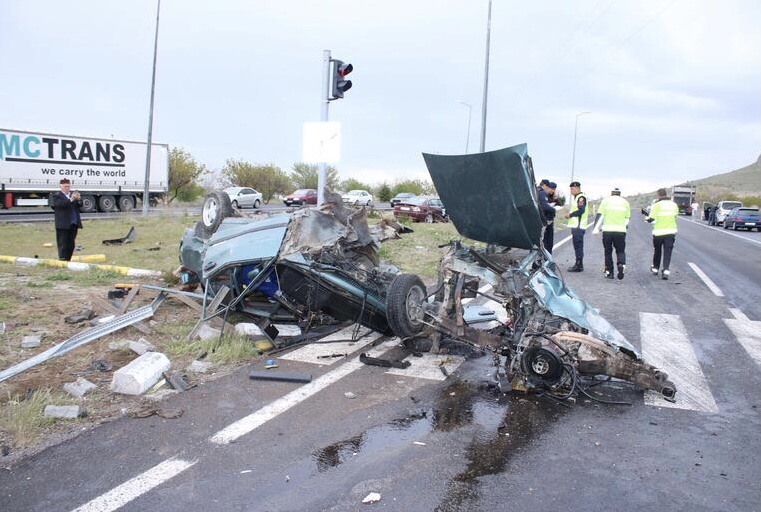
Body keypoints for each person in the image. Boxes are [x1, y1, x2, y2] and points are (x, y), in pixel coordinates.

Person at [592, 188, 630, 280]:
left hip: (607, 231)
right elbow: (627, 218)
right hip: (620, 231)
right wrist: (624, 226)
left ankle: (609, 272)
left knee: (608, 251)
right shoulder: (625, 202)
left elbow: (600, 215)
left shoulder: (605, 201)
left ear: (612, 193)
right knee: (620, 250)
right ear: (619, 193)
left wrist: (596, 229)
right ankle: (621, 264)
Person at [642, 188, 678, 280]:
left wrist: (646, 217)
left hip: (658, 233)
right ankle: (666, 270)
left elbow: (652, 219)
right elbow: (675, 216)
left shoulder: (656, 205)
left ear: (659, 195)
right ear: (666, 194)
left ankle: (655, 268)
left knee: (657, 251)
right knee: (668, 252)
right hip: (671, 232)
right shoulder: (674, 205)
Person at [50, 178, 83, 261]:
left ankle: (68, 259)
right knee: (63, 244)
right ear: (61, 187)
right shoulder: (56, 196)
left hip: (73, 224)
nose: (67, 188)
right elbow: (61, 205)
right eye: (65, 186)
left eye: (68, 186)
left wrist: (78, 199)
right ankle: (62, 259)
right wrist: (71, 199)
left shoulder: (73, 195)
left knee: (71, 244)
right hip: (63, 225)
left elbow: (80, 205)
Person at [564, 181, 588, 272]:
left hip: (579, 226)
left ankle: (579, 265)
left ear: (577, 188)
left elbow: (581, 210)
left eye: (572, 189)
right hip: (576, 226)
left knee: (578, 246)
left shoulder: (581, 198)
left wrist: (570, 215)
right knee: (577, 246)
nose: (571, 191)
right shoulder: (577, 197)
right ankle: (578, 264)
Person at [536, 179, 557, 254]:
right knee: (546, 242)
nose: (549, 190)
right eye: (548, 188)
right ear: (544, 185)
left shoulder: (536, 191)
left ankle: (538, 261)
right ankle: (545, 261)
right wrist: (553, 210)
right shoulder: (542, 193)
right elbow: (544, 206)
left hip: (540, 220)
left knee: (539, 242)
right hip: (545, 221)